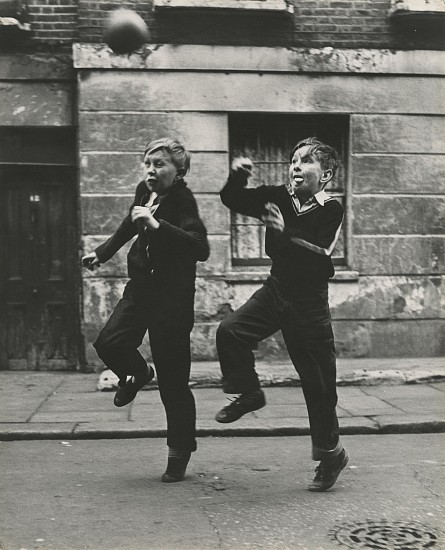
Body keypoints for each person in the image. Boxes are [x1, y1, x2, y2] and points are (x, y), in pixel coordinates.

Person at [215, 137, 349, 492]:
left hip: (309, 304)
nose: (295, 166)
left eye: (305, 161)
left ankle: (330, 454)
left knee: (319, 386)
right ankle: (248, 393)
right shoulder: (277, 195)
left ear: (325, 176)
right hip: (277, 290)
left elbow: (321, 251)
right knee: (229, 332)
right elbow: (232, 199)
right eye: (292, 160)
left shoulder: (331, 208)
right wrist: (236, 178)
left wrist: (284, 232)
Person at [82, 138, 210, 483]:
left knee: (173, 385)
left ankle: (179, 453)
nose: (151, 171)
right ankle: (137, 373)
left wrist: (157, 226)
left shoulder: (183, 201)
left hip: (172, 302)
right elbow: (130, 223)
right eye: (148, 163)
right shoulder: (144, 191)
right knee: (108, 343)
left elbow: (200, 248)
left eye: (160, 164)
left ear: (178, 171)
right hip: (140, 291)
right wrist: (102, 253)